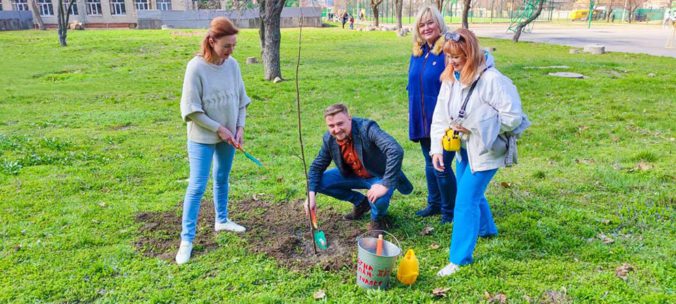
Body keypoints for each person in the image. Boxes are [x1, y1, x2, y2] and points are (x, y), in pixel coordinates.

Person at [430, 29, 528, 276]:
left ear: (471, 52)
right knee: (470, 191)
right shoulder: (451, 77)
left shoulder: (493, 80)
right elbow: (440, 115)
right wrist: (436, 149)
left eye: (458, 57)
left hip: (486, 151)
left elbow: (513, 117)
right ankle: (486, 229)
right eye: (449, 57)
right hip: (464, 150)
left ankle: (459, 259)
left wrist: (476, 126)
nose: (453, 62)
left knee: (465, 201)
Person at [176, 16, 251, 265]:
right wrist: (218, 128)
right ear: (212, 41)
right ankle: (187, 240)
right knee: (197, 186)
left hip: (228, 135)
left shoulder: (233, 65)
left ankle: (222, 220)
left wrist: (239, 128)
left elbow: (241, 101)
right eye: (226, 46)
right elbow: (191, 110)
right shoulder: (195, 68)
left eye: (233, 46)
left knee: (222, 178)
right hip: (202, 137)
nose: (230, 51)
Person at [306, 104, 413, 231]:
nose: (336, 129)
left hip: (379, 175)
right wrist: (310, 195)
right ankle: (361, 202)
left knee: (378, 199)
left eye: (340, 123)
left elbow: (395, 150)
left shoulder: (367, 128)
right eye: (331, 126)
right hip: (353, 174)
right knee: (317, 183)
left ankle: (377, 220)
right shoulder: (329, 138)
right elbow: (316, 167)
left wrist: (385, 184)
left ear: (349, 118)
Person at [407, 5, 456, 224]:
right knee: (429, 163)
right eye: (422, 24)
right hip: (422, 117)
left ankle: (450, 212)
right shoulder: (417, 52)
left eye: (430, 22)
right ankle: (434, 204)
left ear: (439, 24)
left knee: (441, 166)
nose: (426, 27)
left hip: (443, 120)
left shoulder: (447, 50)